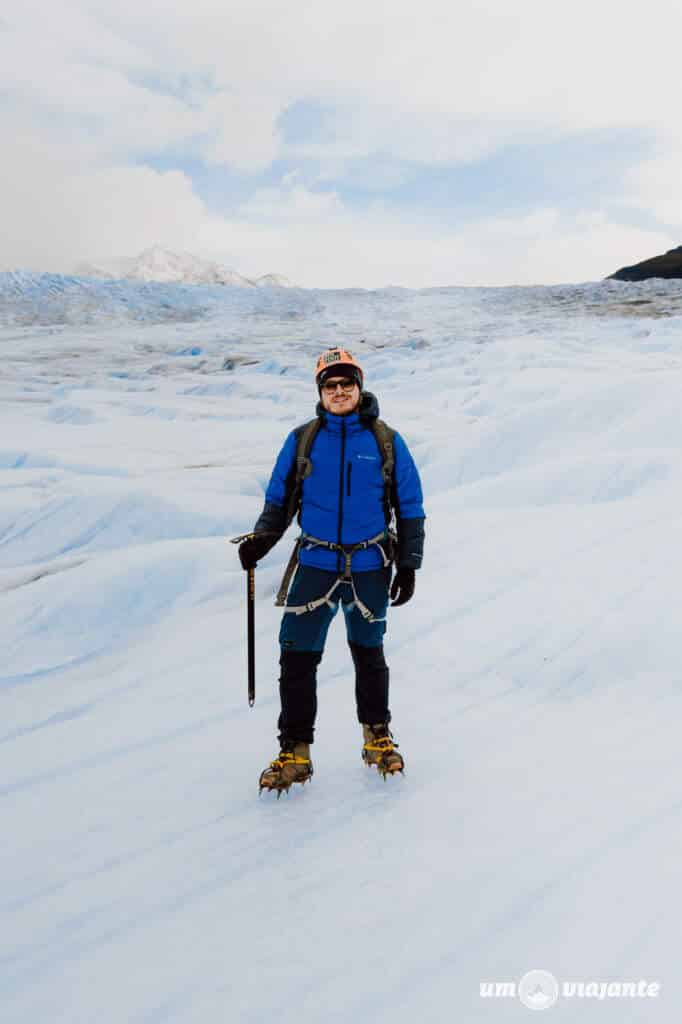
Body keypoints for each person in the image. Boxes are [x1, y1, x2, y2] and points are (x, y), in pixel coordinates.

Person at [238, 347, 425, 794]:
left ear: (359, 387)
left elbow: (410, 506)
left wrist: (409, 564)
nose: (339, 392)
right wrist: (262, 541)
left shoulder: (385, 440)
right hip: (315, 563)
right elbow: (280, 501)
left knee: (369, 656)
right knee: (297, 659)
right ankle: (295, 751)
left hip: (369, 565)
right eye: (330, 385)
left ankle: (377, 737)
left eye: (346, 384)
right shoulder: (302, 439)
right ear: (320, 392)